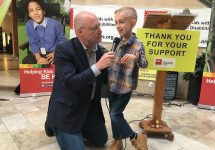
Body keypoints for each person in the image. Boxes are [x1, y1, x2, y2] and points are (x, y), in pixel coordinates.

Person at [46, 11, 116, 150]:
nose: (100, 31)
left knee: (100, 140)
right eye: (94, 28)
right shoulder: (64, 50)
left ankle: (77, 129)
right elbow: (71, 83)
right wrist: (98, 66)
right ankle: (55, 124)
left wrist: (118, 69)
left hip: (89, 107)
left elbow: (104, 81)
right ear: (80, 32)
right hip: (68, 109)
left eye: (99, 26)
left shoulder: (101, 51)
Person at [108, 7, 148, 150]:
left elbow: (145, 64)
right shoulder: (117, 41)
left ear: (132, 23)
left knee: (114, 114)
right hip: (112, 84)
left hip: (125, 87)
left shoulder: (138, 44)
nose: (118, 25)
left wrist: (136, 57)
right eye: (116, 22)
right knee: (113, 114)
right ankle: (117, 140)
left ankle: (135, 137)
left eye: (122, 22)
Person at [14, 0, 66, 94]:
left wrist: (56, 53)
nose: (36, 13)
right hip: (39, 53)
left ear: (43, 11)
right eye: (31, 10)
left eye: (38, 9)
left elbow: (62, 41)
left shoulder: (55, 24)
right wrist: (38, 58)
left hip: (54, 52)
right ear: (29, 14)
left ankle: (53, 86)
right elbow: (33, 42)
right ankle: (29, 85)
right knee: (27, 61)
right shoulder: (29, 25)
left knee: (55, 63)